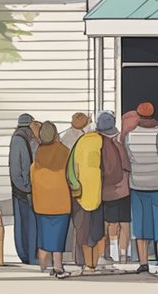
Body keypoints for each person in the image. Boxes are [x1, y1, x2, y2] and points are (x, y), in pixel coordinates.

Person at [125, 103, 158, 280]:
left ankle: (143, 262)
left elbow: (129, 158)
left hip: (137, 184)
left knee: (141, 224)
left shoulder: (130, 135)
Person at [30, 122, 71, 278]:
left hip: (41, 201)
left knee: (43, 234)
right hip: (61, 200)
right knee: (58, 236)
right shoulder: (64, 151)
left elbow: (32, 174)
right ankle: (58, 266)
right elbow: (70, 173)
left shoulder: (38, 152)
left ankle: (42, 266)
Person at [66, 120, 106, 274]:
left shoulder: (79, 143)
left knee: (83, 231)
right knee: (97, 231)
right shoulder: (103, 142)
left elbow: (70, 170)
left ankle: (86, 264)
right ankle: (94, 264)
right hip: (100, 194)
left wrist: (75, 187)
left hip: (81, 196)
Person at [97, 111, 132, 267]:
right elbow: (128, 163)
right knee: (124, 221)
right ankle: (123, 254)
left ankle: (104, 254)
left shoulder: (97, 142)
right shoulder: (121, 139)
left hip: (104, 189)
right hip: (123, 188)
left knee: (104, 222)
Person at [9, 114, 38, 265]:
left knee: (25, 224)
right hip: (23, 190)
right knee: (27, 224)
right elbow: (17, 167)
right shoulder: (21, 139)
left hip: (24, 188)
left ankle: (28, 254)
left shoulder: (19, 137)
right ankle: (28, 254)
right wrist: (25, 187)